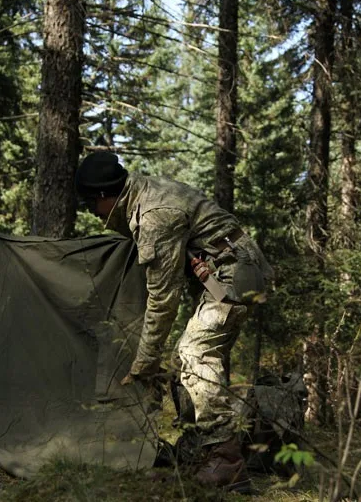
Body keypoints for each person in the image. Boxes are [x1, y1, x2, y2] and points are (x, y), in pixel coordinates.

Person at [75, 151, 273, 491]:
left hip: (236, 274)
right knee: (183, 358)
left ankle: (226, 462)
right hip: (224, 273)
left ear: (104, 196)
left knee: (196, 353)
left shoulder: (153, 215)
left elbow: (162, 300)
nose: (94, 214)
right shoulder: (142, 195)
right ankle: (202, 446)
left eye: (92, 205)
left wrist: (144, 363)